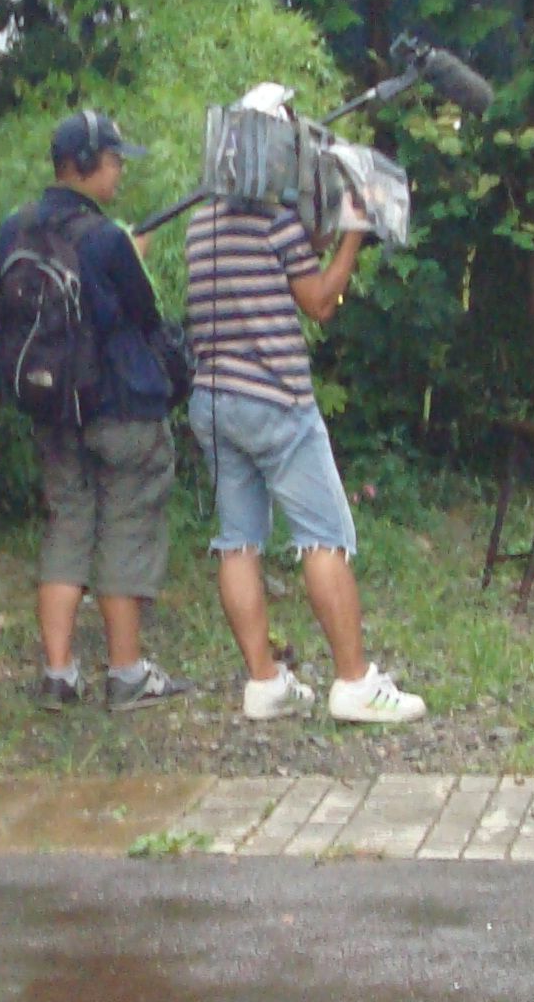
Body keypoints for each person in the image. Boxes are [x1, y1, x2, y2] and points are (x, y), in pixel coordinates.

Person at [182, 89, 425, 726]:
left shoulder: (202, 221)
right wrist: (352, 235)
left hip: (213, 400)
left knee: (237, 542)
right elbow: (317, 301)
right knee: (325, 535)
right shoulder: (274, 222)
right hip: (278, 402)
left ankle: (264, 681)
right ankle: (354, 683)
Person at [0, 109, 188, 711]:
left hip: (53, 409)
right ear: (84, 165)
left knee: (67, 528)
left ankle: (59, 673)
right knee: (125, 529)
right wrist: (132, 252)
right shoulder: (106, 239)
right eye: (112, 161)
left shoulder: (14, 229)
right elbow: (144, 313)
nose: (119, 172)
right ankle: (126, 672)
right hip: (121, 409)